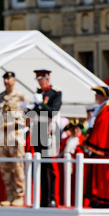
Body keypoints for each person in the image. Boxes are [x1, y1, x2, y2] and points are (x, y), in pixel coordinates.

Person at [31, 69, 62, 207]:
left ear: (47, 78)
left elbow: (52, 112)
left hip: (48, 131)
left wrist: (41, 104)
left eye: (41, 79)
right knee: (40, 167)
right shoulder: (39, 93)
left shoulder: (55, 93)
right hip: (38, 130)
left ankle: (52, 197)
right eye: (38, 80)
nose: (39, 82)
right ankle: (43, 198)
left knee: (49, 167)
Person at [0, 71, 27, 207]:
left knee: (17, 165)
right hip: (3, 134)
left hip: (15, 133)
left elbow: (26, 116)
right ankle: (10, 194)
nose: (6, 81)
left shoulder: (20, 96)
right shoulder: (0, 97)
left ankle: (19, 195)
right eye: (5, 79)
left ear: (15, 80)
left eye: (9, 78)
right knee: (5, 166)